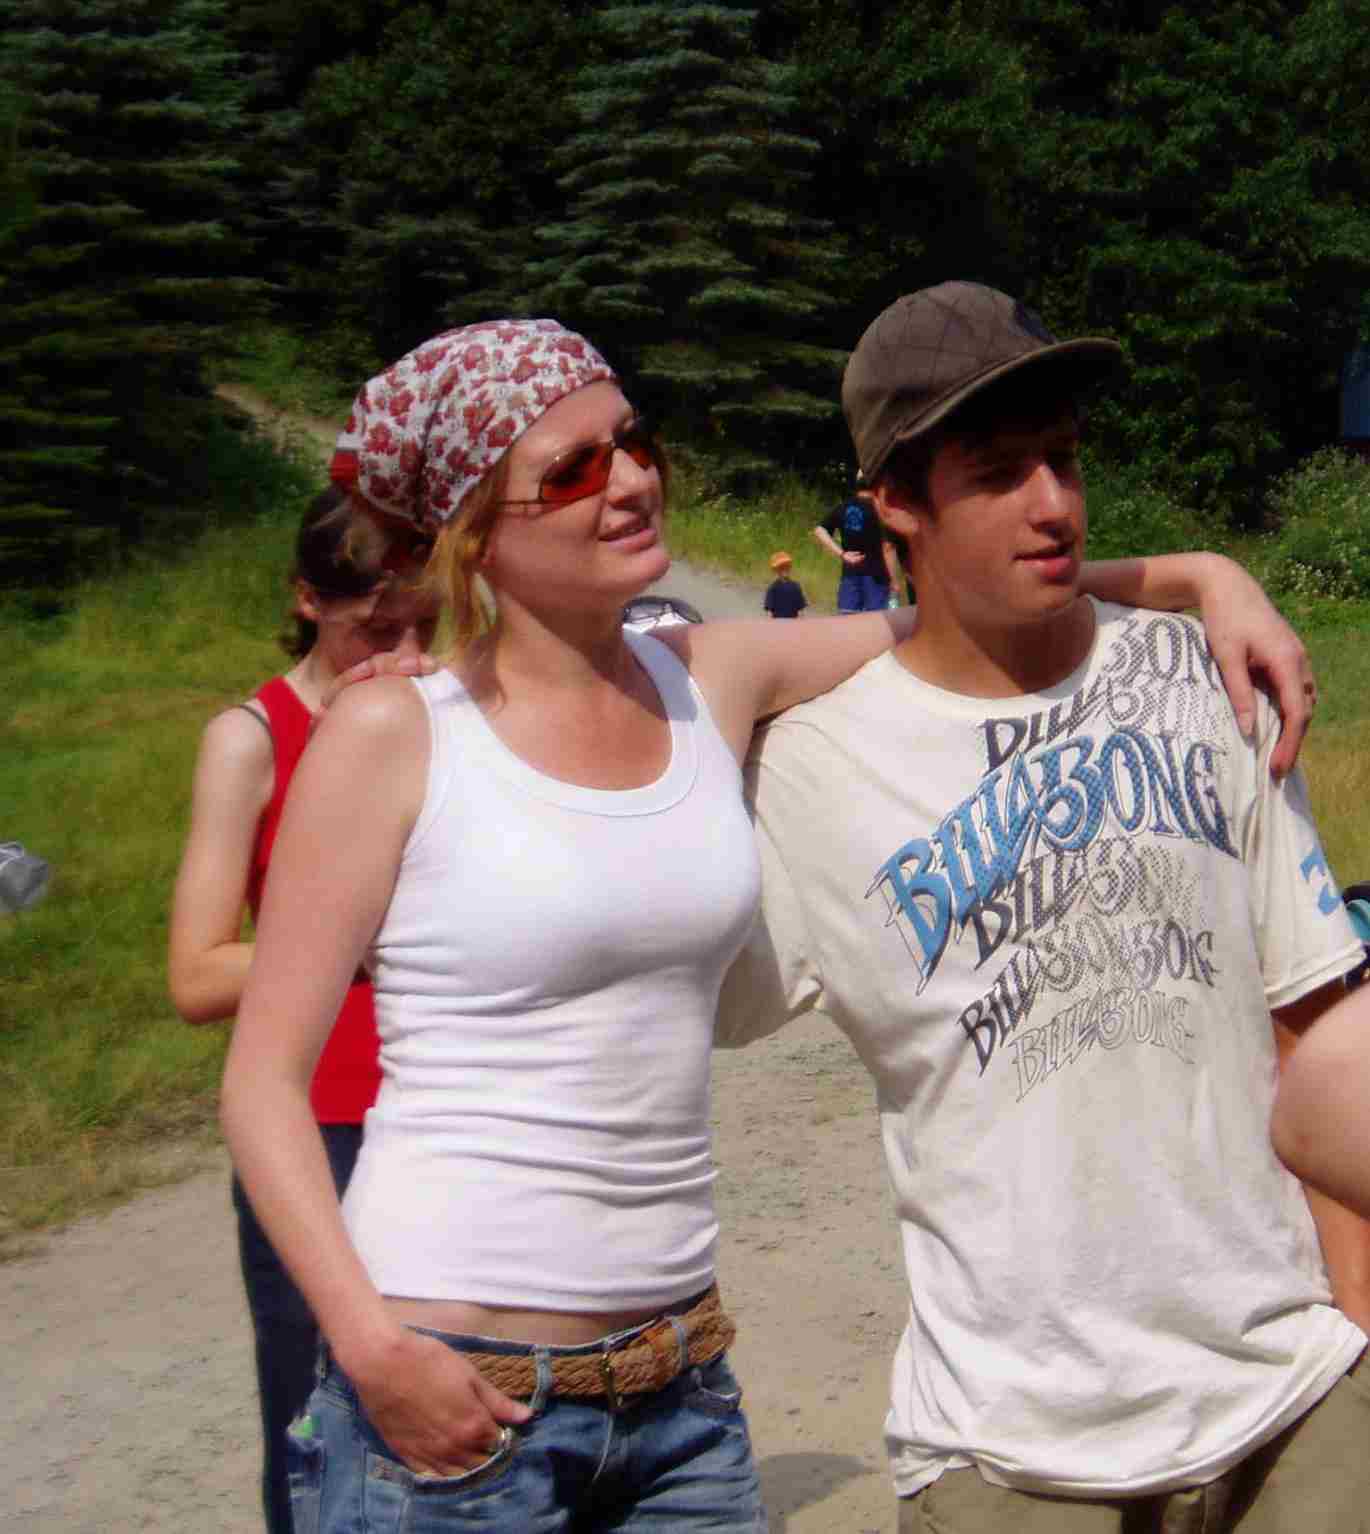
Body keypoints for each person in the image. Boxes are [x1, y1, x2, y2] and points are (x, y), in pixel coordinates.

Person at [220, 317, 1316, 1534]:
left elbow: (968, 604)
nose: (630, 479)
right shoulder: (394, 735)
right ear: (477, 528)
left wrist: (1206, 576)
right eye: (573, 469)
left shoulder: (709, 679)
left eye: (633, 441)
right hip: (454, 1373)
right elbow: (262, 1081)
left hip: (678, 1385)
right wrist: (367, 1345)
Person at [717, 281, 1370, 1533]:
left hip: (1290, 1403)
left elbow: (1315, 1025)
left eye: (1062, 460)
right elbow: (653, 1012)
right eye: (997, 473)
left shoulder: (1202, 672)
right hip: (1009, 1450)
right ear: (893, 501)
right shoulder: (811, 772)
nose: (1053, 503)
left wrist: (1355, 1338)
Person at [167, 486, 440, 1534]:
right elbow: (197, 974)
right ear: (307, 601)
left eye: (426, 625)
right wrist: (356, 938)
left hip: (453, 1101)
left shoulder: (443, 711)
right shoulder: (251, 737)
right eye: (377, 628)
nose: (405, 655)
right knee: (319, 1414)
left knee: (470, 1410)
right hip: (318, 1122)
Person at [813, 476, 898, 611]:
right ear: (875, 485)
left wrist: (842, 554)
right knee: (874, 620)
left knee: (848, 618)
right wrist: (893, 580)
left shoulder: (843, 507)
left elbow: (819, 530)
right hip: (877, 577)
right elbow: (887, 547)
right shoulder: (881, 510)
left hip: (850, 575)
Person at [763, 550, 807, 619]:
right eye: (781, 568)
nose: (784, 570)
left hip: (793, 622)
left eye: (787, 567)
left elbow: (801, 611)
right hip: (777, 622)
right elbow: (769, 612)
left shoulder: (796, 587)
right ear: (776, 570)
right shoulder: (772, 588)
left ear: (789, 568)